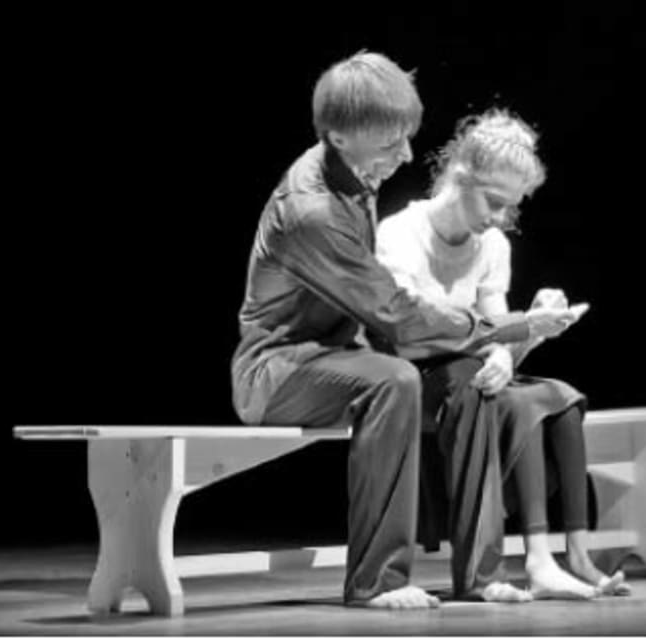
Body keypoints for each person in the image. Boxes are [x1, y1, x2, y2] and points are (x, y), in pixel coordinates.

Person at [231, 54, 578, 609]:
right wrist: (511, 325)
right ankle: (377, 582)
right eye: (391, 143)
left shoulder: (354, 176)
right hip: (276, 370)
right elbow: (396, 313)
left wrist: (494, 346)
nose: (408, 155)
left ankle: (481, 574)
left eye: (407, 137)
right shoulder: (313, 211)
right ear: (339, 137)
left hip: (340, 356)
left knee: (469, 382)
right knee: (393, 381)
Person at [376, 108, 632, 601]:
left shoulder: (492, 244)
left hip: (469, 377)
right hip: (413, 378)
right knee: (519, 401)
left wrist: (526, 335)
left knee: (559, 397)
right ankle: (535, 562)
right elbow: (407, 333)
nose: (499, 217)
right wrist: (500, 342)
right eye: (493, 202)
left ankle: (573, 556)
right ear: (460, 176)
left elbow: (498, 332)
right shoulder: (401, 233)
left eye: (509, 207)